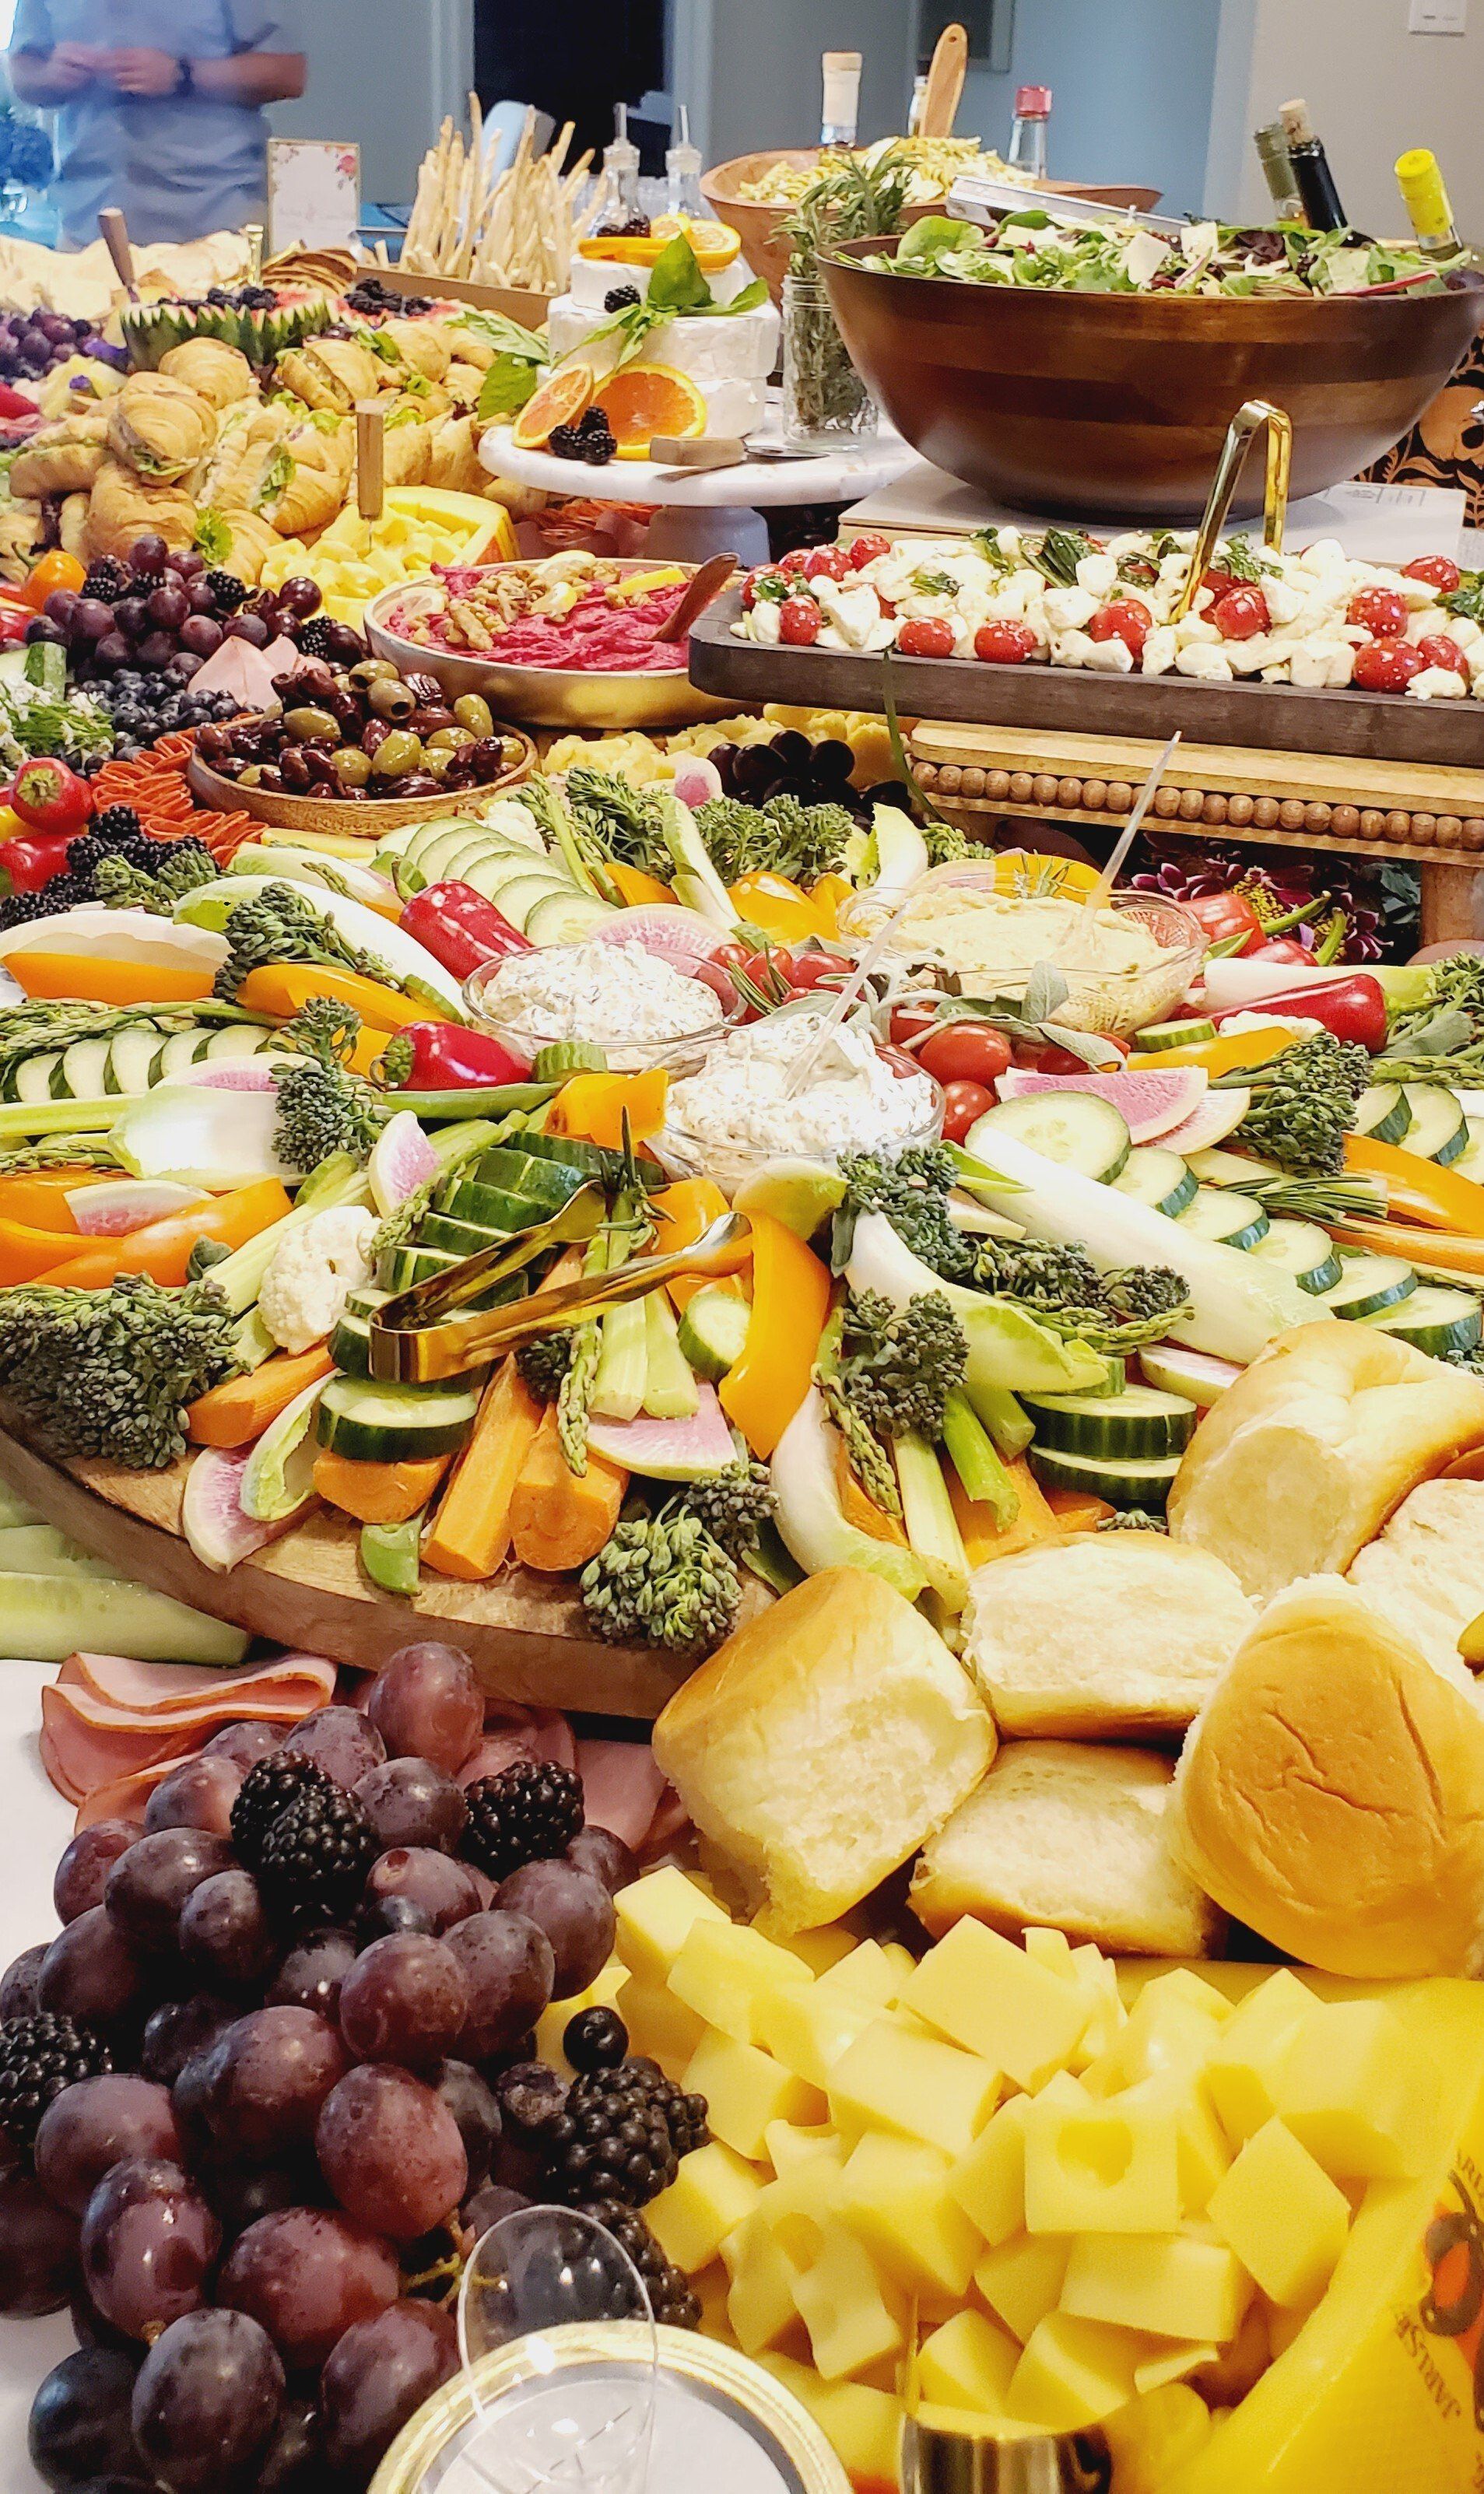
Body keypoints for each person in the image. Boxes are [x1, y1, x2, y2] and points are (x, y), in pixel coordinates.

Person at [7, 3, 306, 249]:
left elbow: (288, 73)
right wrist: (49, 75)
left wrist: (183, 74)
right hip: (85, 231)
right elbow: (23, 69)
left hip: (215, 230)